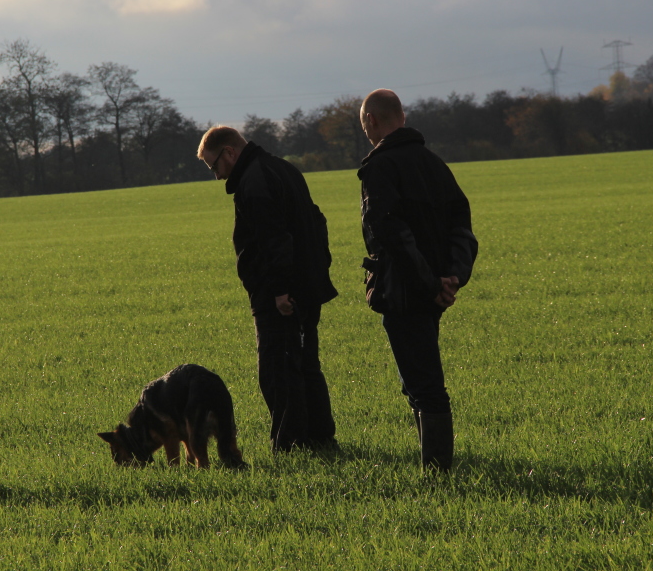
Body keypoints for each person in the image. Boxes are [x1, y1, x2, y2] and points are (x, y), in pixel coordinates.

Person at [357, 89, 478, 471]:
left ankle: (438, 473)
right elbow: (462, 226)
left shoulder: (379, 167)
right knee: (419, 380)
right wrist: (454, 277)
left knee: (425, 387)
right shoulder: (434, 163)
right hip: (434, 290)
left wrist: (430, 283)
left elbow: (391, 235)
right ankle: (434, 465)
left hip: (405, 291)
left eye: (364, 124)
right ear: (403, 117)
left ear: (372, 120)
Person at [198, 126, 339, 453]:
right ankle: (321, 438)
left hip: (280, 296)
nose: (217, 176)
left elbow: (273, 239)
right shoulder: (283, 168)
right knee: (306, 366)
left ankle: (291, 446)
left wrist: (279, 290)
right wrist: (315, 274)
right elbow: (316, 223)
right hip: (307, 287)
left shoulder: (255, 180)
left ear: (230, 152)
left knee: (278, 371)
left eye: (214, 165)